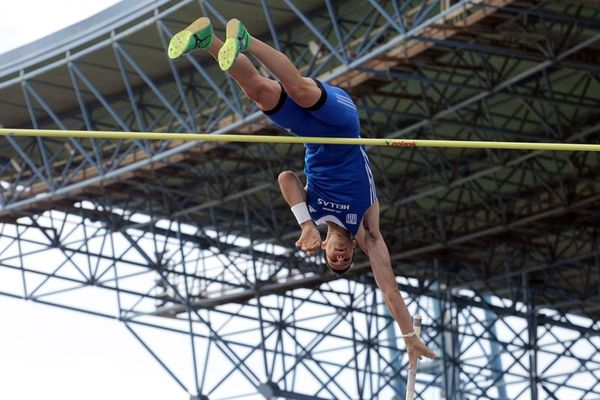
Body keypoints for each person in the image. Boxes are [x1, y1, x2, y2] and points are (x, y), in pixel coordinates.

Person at [168, 17, 436, 366]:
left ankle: (207, 40)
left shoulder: (313, 213)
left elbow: (285, 177)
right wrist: (409, 337)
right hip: (342, 126)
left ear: (324, 247)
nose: (339, 257)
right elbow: (389, 289)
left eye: (332, 258)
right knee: (300, 91)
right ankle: (247, 38)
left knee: (258, 91)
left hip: (311, 132)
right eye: (345, 258)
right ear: (354, 248)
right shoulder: (369, 232)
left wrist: (306, 224)